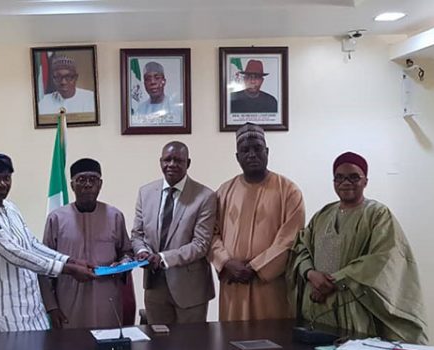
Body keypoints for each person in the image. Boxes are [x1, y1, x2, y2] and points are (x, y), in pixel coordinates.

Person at [287, 152, 427, 343]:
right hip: (317, 305)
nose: (346, 182)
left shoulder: (377, 214)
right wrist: (311, 275)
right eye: (339, 177)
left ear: (365, 181)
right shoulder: (322, 214)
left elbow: (382, 258)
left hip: (353, 305)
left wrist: (332, 281)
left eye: (354, 177)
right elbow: (302, 248)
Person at [0, 153, 96, 333]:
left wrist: (69, 260)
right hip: (3, 313)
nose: (2, 184)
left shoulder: (10, 208)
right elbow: (15, 254)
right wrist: (69, 270)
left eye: (6, 178)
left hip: (32, 308)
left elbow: (31, 244)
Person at [209, 124, 305, 321]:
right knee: (232, 342)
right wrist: (226, 262)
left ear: (267, 152)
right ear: (237, 157)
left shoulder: (288, 191)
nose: (252, 154)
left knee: (271, 343)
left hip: (270, 284)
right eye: (245, 150)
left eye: (257, 148)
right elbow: (211, 233)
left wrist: (256, 267)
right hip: (233, 283)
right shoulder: (224, 191)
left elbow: (290, 239)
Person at [39, 158, 133, 329]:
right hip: (69, 301)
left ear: (100, 184)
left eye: (93, 179)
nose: (88, 184)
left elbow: (127, 252)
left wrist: (123, 263)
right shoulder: (57, 218)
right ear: (72, 185)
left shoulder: (115, 216)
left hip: (107, 300)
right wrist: (51, 307)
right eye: (81, 179)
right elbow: (44, 265)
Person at [131, 142, 217, 324]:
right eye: (167, 159)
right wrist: (142, 252)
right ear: (160, 162)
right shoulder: (145, 193)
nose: (172, 164)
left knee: (191, 347)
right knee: (158, 346)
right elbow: (137, 234)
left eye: (178, 160)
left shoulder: (205, 196)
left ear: (188, 163)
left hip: (190, 289)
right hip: (155, 287)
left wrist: (162, 258)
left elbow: (200, 244)